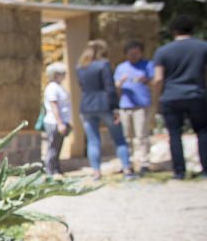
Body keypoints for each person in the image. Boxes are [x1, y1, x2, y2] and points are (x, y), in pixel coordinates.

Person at [151, 15, 207, 179]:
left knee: (174, 134)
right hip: (196, 94)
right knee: (203, 132)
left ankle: (179, 171)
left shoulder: (163, 51)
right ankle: (205, 170)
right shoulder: (203, 47)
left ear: (173, 31)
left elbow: (159, 78)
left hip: (171, 96)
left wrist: (156, 99)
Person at [76, 39, 133, 180]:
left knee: (93, 141)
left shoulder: (80, 67)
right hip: (104, 104)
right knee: (119, 138)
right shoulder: (103, 65)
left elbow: (82, 87)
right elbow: (110, 88)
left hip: (86, 106)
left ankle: (96, 172)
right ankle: (127, 169)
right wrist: (115, 108)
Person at [114, 39, 155, 174]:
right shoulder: (121, 67)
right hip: (125, 105)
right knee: (126, 136)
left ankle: (144, 162)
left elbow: (155, 82)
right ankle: (127, 162)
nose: (134, 56)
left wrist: (146, 81)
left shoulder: (148, 65)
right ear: (126, 54)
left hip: (141, 105)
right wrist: (120, 83)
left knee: (142, 135)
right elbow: (116, 87)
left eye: (136, 53)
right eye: (131, 53)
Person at [43, 62, 71, 176]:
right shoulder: (52, 88)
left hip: (61, 121)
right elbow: (54, 106)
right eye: (62, 73)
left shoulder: (59, 87)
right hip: (54, 122)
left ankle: (56, 170)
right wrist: (60, 123)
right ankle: (49, 171)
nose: (64, 75)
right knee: (52, 148)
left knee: (58, 148)